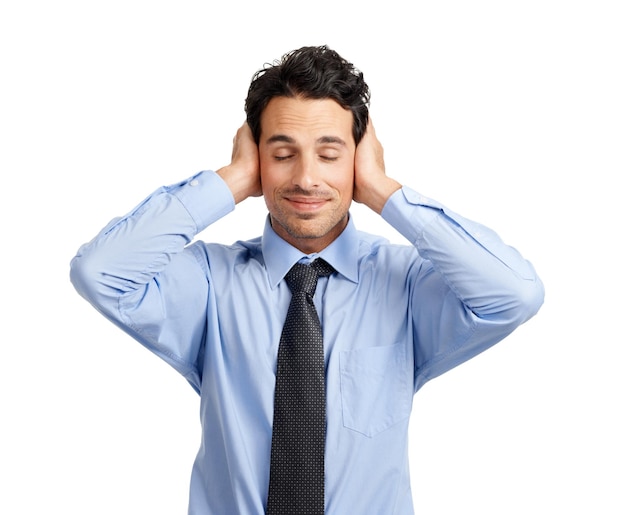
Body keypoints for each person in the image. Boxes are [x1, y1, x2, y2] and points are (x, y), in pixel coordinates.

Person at [70, 45, 544, 514]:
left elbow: (514, 294)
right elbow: (99, 272)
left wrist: (381, 190)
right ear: (258, 158)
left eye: (329, 153)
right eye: (283, 153)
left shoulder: (406, 285)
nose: (306, 178)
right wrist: (230, 181)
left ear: (358, 158)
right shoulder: (209, 284)